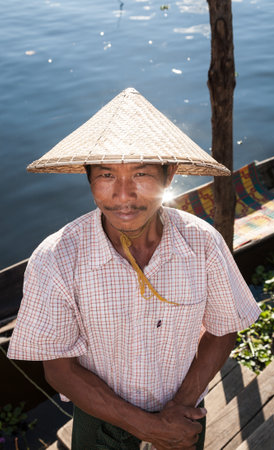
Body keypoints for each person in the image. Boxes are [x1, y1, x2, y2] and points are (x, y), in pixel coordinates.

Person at [8, 88, 261, 450]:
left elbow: (223, 329)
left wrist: (179, 407)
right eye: (107, 175)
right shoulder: (56, 258)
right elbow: (60, 370)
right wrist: (147, 426)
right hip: (100, 420)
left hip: (185, 410)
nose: (123, 196)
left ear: (169, 175)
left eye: (141, 173)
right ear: (89, 177)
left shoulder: (202, 243)